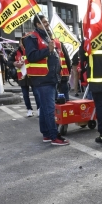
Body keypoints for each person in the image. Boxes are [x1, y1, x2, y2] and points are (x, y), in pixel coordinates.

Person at [23, 15, 69, 146]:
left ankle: (47, 134)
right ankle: (55, 137)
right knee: (49, 109)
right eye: (44, 22)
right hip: (42, 80)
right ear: (37, 25)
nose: (47, 24)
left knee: (44, 108)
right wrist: (47, 50)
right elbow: (31, 56)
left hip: (51, 78)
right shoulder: (31, 38)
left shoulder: (47, 36)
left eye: (47, 22)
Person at [8, 38, 40, 117]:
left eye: (23, 43)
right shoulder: (15, 52)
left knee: (36, 93)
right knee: (25, 94)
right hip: (22, 76)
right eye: (21, 43)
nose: (22, 45)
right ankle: (29, 109)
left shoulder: (31, 50)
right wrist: (14, 63)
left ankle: (39, 109)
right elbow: (9, 62)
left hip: (32, 75)